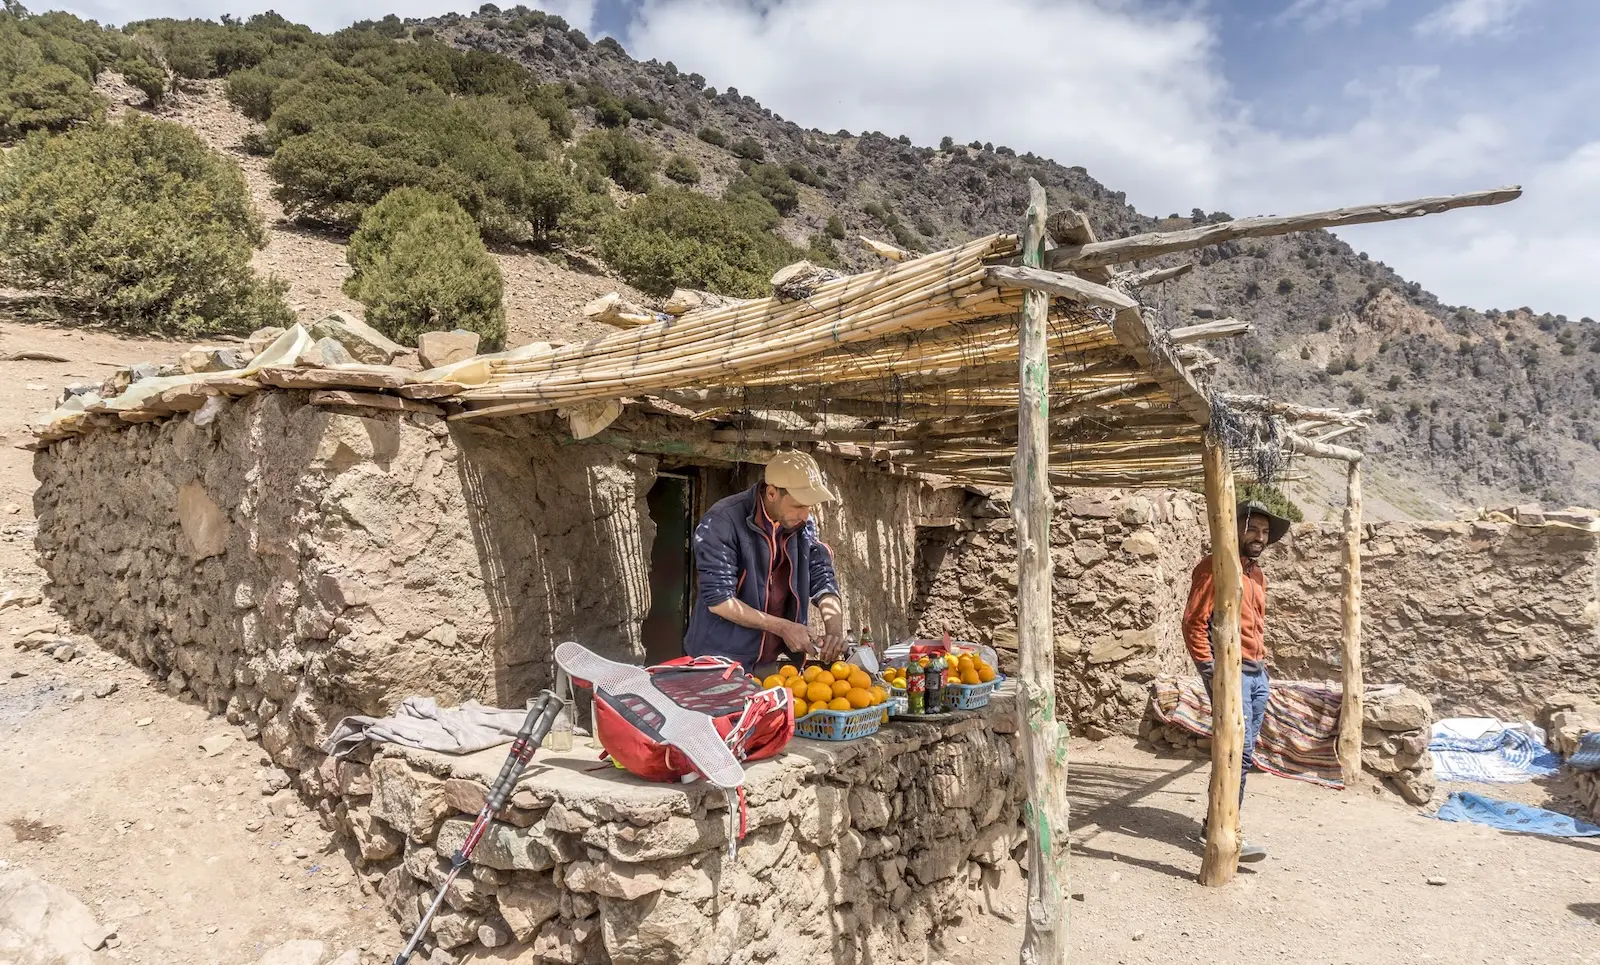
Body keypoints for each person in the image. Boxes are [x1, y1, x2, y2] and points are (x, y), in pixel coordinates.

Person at [1181, 499, 1291, 863]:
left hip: (1257, 673)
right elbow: (1194, 623)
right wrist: (1213, 672)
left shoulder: (1257, 575)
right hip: (1232, 673)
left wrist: (1262, 670)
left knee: (1243, 754)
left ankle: (1221, 824)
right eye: (1252, 529)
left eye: (1264, 531)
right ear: (1235, 530)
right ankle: (1223, 831)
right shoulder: (1215, 567)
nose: (1259, 537)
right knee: (1233, 751)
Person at [683, 450, 846, 671]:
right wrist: (783, 627)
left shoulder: (800, 523)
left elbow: (821, 575)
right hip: (719, 661)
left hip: (768, 660)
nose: (805, 515)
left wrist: (834, 631)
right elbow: (720, 601)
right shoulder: (722, 521)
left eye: (809, 507)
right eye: (798, 506)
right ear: (771, 493)